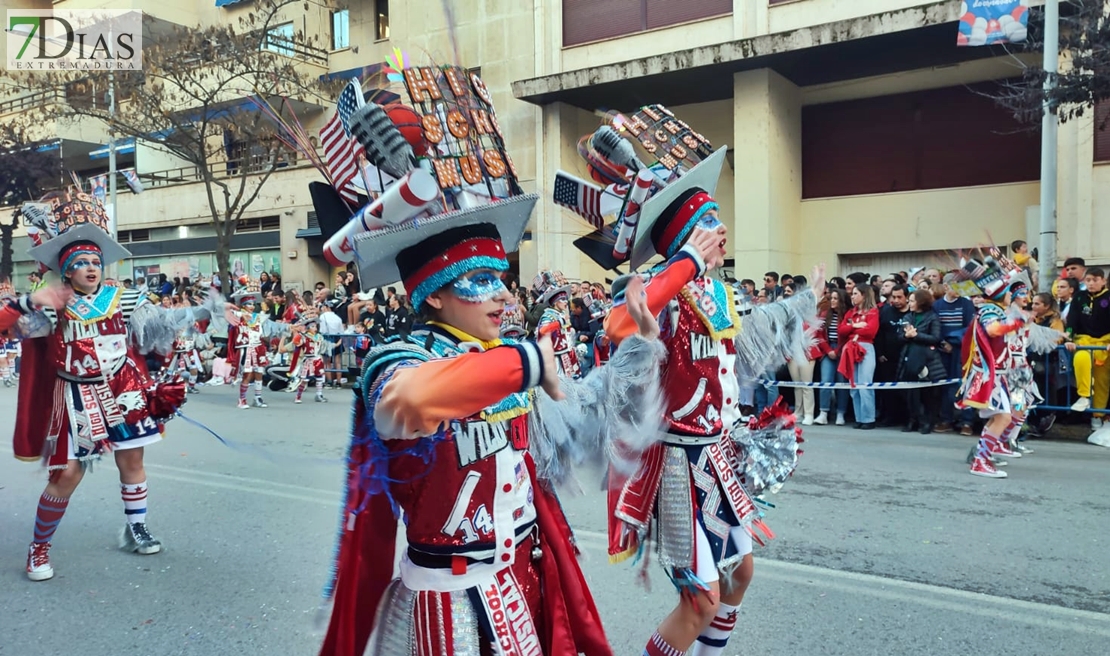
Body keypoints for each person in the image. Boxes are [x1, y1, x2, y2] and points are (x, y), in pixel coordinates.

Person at [317, 71, 669, 653]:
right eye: (481, 282)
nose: (506, 296)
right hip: (445, 605)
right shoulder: (399, 358)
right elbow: (410, 400)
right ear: (433, 294)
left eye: (503, 280)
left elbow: (576, 422)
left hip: (517, 586)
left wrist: (637, 348)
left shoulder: (501, 357)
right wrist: (527, 361)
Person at [592, 144, 816, 656]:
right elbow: (618, 325)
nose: (722, 229)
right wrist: (686, 263)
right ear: (686, 241)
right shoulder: (658, 293)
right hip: (675, 465)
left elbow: (742, 351)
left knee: (741, 577)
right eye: (708, 222)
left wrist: (799, 305)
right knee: (701, 601)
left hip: (717, 457)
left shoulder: (718, 294)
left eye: (718, 218)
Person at [5, 189, 207, 581]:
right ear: (66, 270)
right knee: (68, 474)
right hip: (74, 396)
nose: (91, 268)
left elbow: (160, 326)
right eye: (81, 263)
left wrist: (207, 310)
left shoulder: (124, 298)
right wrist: (29, 304)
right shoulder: (53, 305)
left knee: (132, 461)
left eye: (95, 261)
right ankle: (38, 548)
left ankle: (136, 527)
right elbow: (12, 328)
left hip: (124, 389)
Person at [956, 261, 1061, 478]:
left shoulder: (1000, 310)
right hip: (996, 374)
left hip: (1006, 373)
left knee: (1009, 412)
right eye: (1017, 292)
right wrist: (1016, 322)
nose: (1024, 297)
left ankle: (985, 454)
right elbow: (994, 330)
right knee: (1004, 415)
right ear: (1005, 295)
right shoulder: (990, 310)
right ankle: (982, 459)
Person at [1066, 267, 1110, 429]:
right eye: (1088, 280)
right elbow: (1072, 320)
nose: (1091, 283)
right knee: (1081, 358)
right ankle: (1084, 396)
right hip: (1084, 341)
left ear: (1103, 281)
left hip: (1105, 343)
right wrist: (1069, 338)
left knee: (1102, 381)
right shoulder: (1079, 297)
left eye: (1095, 280)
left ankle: (1097, 416)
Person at [932, 276, 977, 435]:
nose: (959, 290)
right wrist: (943, 343)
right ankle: (946, 419)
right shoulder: (937, 305)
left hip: (961, 350)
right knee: (945, 385)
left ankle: (967, 421)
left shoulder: (967, 304)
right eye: (955, 286)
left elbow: (970, 328)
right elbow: (935, 327)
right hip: (943, 350)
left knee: (964, 385)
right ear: (945, 287)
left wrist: (954, 342)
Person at [897, 289, 945, 434]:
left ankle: (926, 422)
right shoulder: (908, 316)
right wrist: (906, 335)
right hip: (908, 357)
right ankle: (912, 420)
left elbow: (935, 338)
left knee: (927, 394)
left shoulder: (932, 317)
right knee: (910, 392)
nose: (909, 303)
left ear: (921, 302)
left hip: (926, 360)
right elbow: (899, 337)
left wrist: (916, 335)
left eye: (912, 301)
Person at [228, 282, 279, 409]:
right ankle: (242, 399)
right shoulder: (237, 317)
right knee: (247, 374)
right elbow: (228, 312)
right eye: (248, 304)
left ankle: (257, 398)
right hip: (246, 349)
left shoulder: (258, 318)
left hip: (258, 348)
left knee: (259, 372)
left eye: (252, 303)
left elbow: (267, 330)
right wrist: (240, 312)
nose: (251, 306)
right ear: (243, 306)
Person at [839, 284, 879, 429]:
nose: (853, 296)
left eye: (856, 293)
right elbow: (842, 330)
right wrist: (856, 326)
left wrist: (853, 329)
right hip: (851, 348)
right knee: (854, 385)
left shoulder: (873, 312)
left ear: (864, 295)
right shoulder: (850, 313)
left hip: (865, 348)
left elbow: (870, 331)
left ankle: (869, 418)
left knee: (865, 383)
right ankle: (859, 417)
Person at [875, 285, 910, 427]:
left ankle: (907, 418)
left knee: (906, 390)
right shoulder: (886, 311)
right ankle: (889, 416)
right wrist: (880, 353)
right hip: (888, 357)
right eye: (893, 297)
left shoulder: (912, 313)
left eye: (899, 297)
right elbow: (879, 333)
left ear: (907, 297)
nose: (895, 300)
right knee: (888, 390)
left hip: (906, 356)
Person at [814, 288, 850, 426]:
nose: (833, 301)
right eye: (831, 298)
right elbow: (819, 335)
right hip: (828, 351)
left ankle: (840, 413)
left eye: (836, 298)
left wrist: (838, 350)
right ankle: (823, 412)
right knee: (825, 382)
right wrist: (829, 351)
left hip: (843, 350)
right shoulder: (824, 314)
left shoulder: (847, 315)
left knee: (842, 382)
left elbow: (848, 335)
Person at [535, 273, 581, 378]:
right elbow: (543, 330)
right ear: (555, 303)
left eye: (566, 299)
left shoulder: (562, 314)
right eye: (563, 299)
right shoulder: (548, 315)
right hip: (554, 358)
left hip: (566, 354)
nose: (566, 302)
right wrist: (559, 323)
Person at [288, 310, 327, 404]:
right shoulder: (304, 337)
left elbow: (322, 347)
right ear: (308, 328)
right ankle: (298, 396)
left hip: (317, 359)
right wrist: (298, 335)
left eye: (315, 326)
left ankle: (319, 394)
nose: (315, 328)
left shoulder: (319, 337)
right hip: (309, 360)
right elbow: (297, 344)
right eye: (312, 326)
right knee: (305, 379)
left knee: (319, 377)